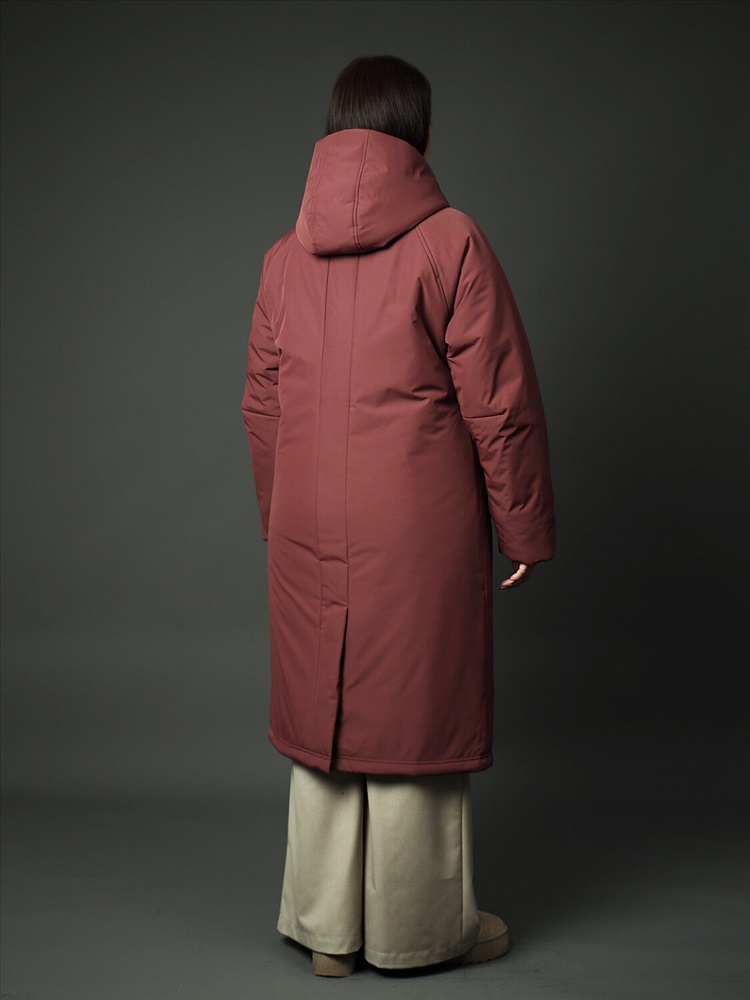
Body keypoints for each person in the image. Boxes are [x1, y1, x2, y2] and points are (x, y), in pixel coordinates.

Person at [241, 54, 556, 977]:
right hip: (417, 526)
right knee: (416, 711)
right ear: (416, 131)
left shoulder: (281, 258)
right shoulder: (450, 242)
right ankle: (418, 933)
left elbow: (263, 406)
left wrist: (278, 515)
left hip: (307, 522)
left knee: (327, 713)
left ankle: (326, 929)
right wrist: (524, 526)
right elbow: (498, 401)